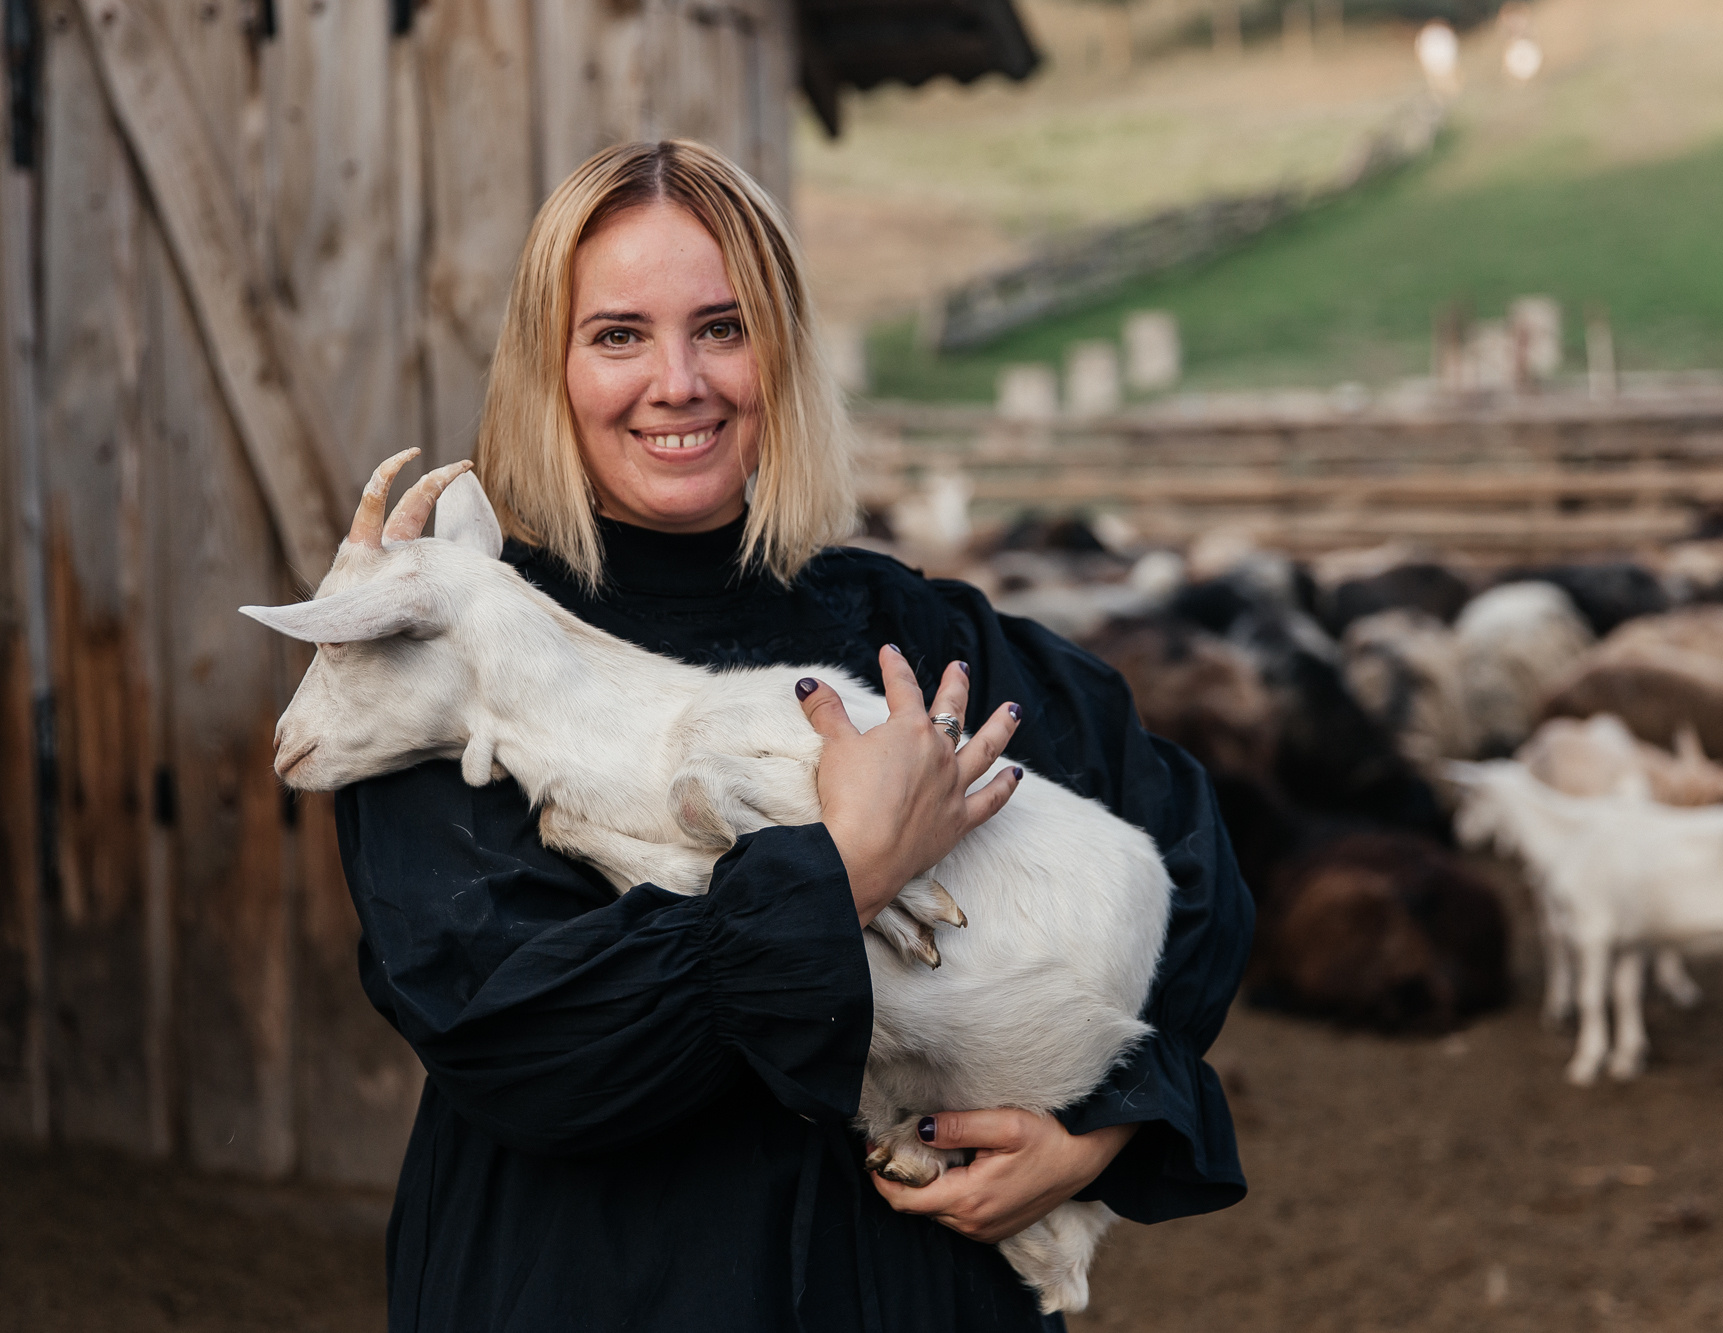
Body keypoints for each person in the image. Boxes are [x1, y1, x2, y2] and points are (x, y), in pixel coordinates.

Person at [335, 139, 1254, 1333]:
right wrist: (842, 873)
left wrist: (1103, 1121)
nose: (678, 381)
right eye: (617, 335)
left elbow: (1187, 863)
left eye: (722, 327)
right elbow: (525, 1047)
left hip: (912, 1292)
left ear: (781, 350)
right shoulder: (463, 664)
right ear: (546, 367)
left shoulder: (913, 635)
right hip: (594, 1286)